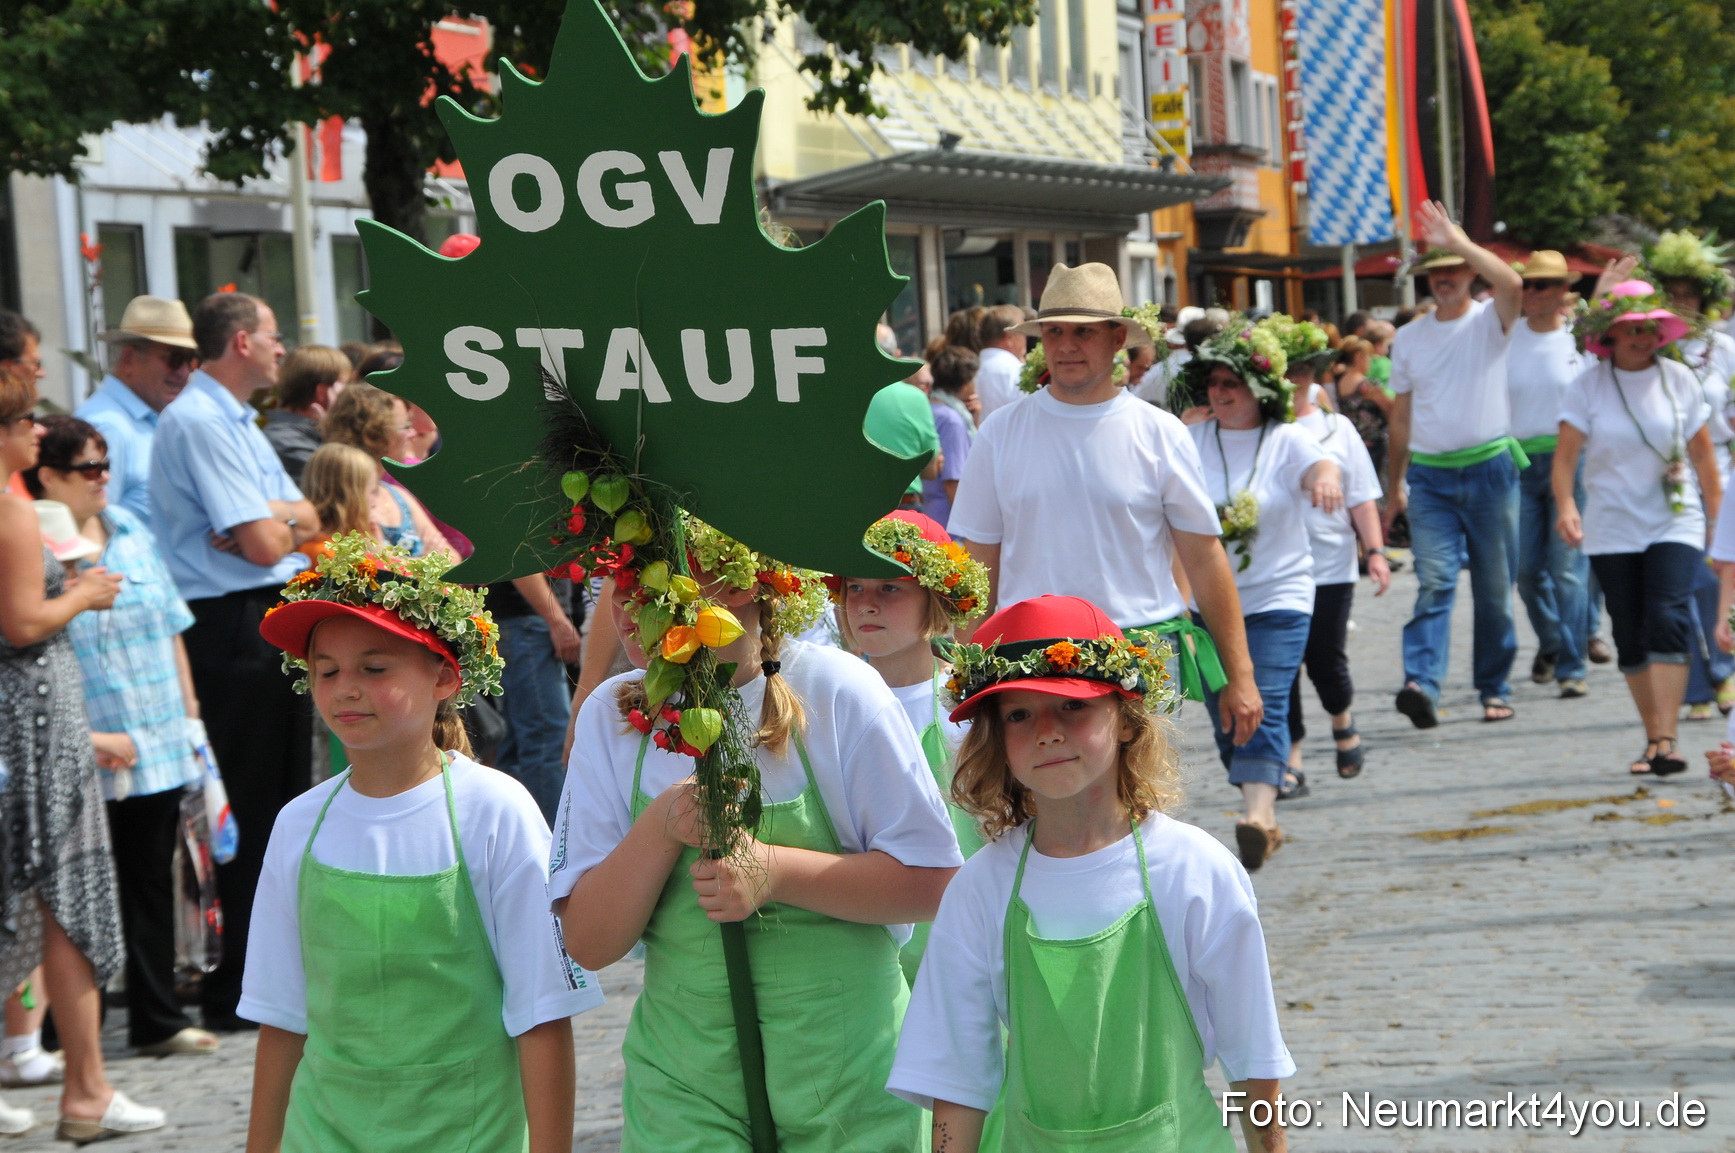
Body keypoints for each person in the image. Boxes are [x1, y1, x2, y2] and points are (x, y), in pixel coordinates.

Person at [550, 520, 962, 1153]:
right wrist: (661, 830)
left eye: (651, 583)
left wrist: (777, 871)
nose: (627, 609)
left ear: (739, 585)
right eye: (618, 586)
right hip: (685, 1084)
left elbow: (932, 884)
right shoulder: (615, 716)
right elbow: (587, 941)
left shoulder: (837, 691)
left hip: (849, 1076)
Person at [887, 595, 1294, 1153]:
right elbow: (956, 1072)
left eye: (1072, 708)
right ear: (998, 741)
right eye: (1020, 715)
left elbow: (1252, 1055)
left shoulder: (1196, 871)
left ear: (1126, 720)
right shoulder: (982, 888)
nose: (1047, 732)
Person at [243, 534, 601, 1153]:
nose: (346, 688)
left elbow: (542, 1012)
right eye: (326, 670)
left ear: (444, 676)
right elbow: (282, 1017)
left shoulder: (496, 811)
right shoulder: (299, 823)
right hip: (322, 1135)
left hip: (470, 1135)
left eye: (374, 668)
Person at [948, 263, 1265, 766]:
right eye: (1054, 331)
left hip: (1142, 648)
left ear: (1117, 338)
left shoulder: (1160, 432)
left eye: (1083, 332)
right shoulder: (1001, 432)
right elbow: (978, 562)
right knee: (1040, 811)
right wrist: (962, 670)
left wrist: (1240, 676)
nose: (1067, 344)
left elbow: (1204, 558)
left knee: (1142, 809)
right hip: (1031, 659)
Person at [0, 333, 166, 1139]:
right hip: (34, 713)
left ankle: (82, 1085)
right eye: (27, 418)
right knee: (69, 897)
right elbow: (24, 620)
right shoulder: (12, 511)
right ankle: (88, 1090)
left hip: (27, 717)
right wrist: (85, 593)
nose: (38, 432)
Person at [151, 291, 321, 1030]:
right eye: (275, 335)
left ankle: (270, 978)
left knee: (281, 805)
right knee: (249, 813)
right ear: (244, 341)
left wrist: (275, 523)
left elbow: (309, 516)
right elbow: (260, 543)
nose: (283, 349)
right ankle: (238, 991)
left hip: (259, 613)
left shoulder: (232, 417)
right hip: (228, 625)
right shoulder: (197, 418)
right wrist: (276, 526)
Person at [24, 416, 219, 1059]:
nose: (104, 479)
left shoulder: (130, 530)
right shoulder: (35, 547)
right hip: (83, 736)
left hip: (157, 731)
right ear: (49, 476)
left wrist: (190, 717)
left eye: (107, 465)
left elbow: (170, 625)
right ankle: (55, 1032)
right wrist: (88, 732)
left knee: (151, 876)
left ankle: (155, 1017)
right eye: (89, 468)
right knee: (72, 885)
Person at [1172, 319, 1343, 868]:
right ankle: (1259, 810)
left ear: (1260, 391)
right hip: (1208, 603)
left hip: (1278, 598)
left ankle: (1259, 815)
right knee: (1226, 709)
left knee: (1259, 697)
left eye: (1234, 384)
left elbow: (1320, 460)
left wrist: (1324, 477)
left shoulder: (1286, 438)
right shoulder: (1190, 439)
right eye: (1215, 383)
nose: (1221, 393)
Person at [1556, 282, 1720, 776]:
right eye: (1631, 329)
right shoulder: (1588, 386)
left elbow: (1704, 456)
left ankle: (1668, 739)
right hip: (1611, 523)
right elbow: (1565, 459)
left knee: (1667, 613)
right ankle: (1652, 736)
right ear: (1611, 334)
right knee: (1628, 629)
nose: (1642, 337)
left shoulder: (1679, 380)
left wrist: (1718, 526)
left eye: (1650, 328)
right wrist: (1566, 504)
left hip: (1675, 517)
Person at [1383, 201, 1526, 728]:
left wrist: (1458, 242)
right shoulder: (1409, 337)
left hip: (1491, 470)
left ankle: (1494, 684)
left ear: (1469, 273)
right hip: (1431, 476)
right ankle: (1422, 682)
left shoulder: (1491, 320)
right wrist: (1394, 485)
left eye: (1453, 272)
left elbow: (1511, 283)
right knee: (1436, 582)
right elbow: (1401, 418)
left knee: (1493, 589)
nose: (1444, 281)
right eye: (1436, 273)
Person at [834, 510, 990, 980]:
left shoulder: (965, 707)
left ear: (935, 600)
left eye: (889, 588)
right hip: (866, 939)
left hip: (965, 936)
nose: (866, 604)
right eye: (854, 588)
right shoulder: (826, 703)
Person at [1285, 359, 1389, 786]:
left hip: (1330, 563)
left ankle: (1342, 718)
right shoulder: (1256, 426)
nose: (1294, 378)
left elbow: (1361, 498)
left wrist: (1377, 552)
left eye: (1302, 369)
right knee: (1280, 666)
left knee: (1325, 659)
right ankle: (1290, 754)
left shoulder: (1336, 429)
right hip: (1275, 570)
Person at [1652, 240, 1735, 719]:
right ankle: (1697, 685)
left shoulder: (1722, 348)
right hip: (1666, 471)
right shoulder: (1650, 346)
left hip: (1719, 466)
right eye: (1672, 294)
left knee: (1717, 573)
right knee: (1680, 580)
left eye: (1689, 294)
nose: (1681, 303)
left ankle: (1724, 670)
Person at [1507, 251, 1593, 699]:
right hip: (1519, 461)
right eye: (1527, 284)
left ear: (1562, 292)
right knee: (1525, 571)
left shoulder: (1579, 342)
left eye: (1542, 285)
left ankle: (1572, 665)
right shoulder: (1506, 337)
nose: (1532, 293)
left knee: (1568, 571)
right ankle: (1556, 641)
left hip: (1570, 461)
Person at [75, 295, 199, 524]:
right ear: (129, 358)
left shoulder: (148, 419)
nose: (183, 372)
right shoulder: (106, 427)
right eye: (174, 359)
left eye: (191, 360)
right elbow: (93, 526)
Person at [484, 570, 583, 824]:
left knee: (517, 747)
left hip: (522, 623)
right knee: (545, 742)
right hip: (528, 623)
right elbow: (515, 559)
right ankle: (551, 846)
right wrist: (556, 620)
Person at [320, 382, 453, 558]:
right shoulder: (342, 497)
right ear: (372, 433)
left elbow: (452, 557)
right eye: (405, 426)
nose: (412, 434)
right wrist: (424, 561)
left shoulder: (398, 495)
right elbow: (364, 567)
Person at [263, 345, 349, 486]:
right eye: (345, 385)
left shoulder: (306, 433)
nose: (348, 394)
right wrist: (335, 431)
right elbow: (344, 485)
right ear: (322, 392)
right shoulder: (287, 441)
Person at [864, 366, 944, 512]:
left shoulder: (838, 392)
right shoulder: (915, 396)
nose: (928, 390)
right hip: (904, 504)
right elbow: (931, 468)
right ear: (896, 355)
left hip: (852, 502)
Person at [296, 442, 382, 557]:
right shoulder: (321, 551)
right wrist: (380, 553)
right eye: (373, 491)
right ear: (351, 497)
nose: (375, 503)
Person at [924, 345, 977, 526]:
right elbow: (953, 480)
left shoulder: (929, 408)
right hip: (946, 520)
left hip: (930, 510)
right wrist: (969, 525)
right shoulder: (952, 420)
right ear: (965, 382)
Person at [973, 304, 1028, 420]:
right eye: (1023, 333)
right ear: (1009, 338)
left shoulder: (970, 370)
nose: (1025, 339)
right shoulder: (1017, 371)